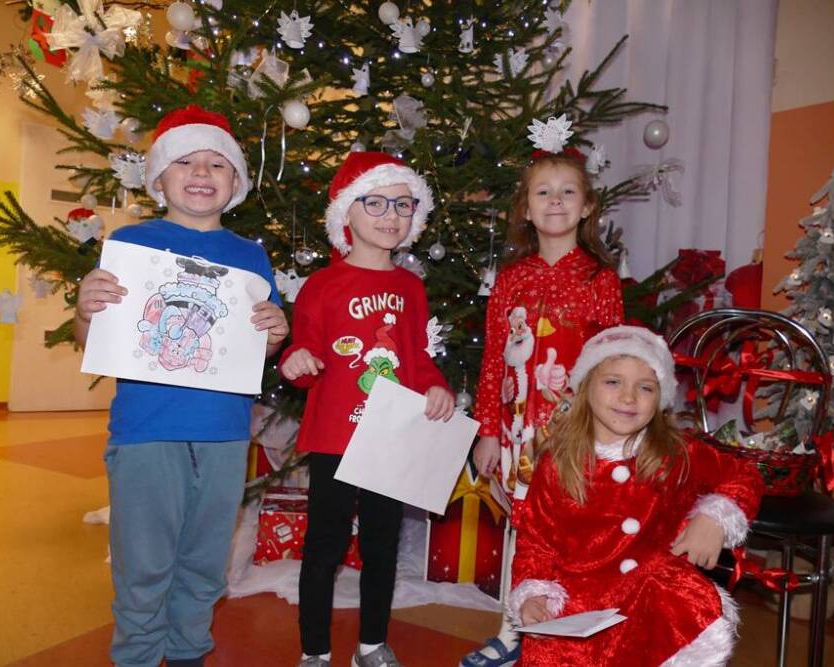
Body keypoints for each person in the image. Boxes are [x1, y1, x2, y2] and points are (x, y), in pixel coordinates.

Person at [74, 104, 289, 667]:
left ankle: (190, 650)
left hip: (224, 436)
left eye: (217, 164)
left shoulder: (250, 256)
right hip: (146, 433)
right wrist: (85, 310)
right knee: (142, 562)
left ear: (235, 183)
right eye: (185, 161)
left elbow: (258, 346)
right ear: (158, 178)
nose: (201, 172)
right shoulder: (131, 244)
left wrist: (273, 334)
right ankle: (138, 656)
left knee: (205, 559)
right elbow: (93, 339)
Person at [279, 151, 455, 667]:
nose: (390, 215)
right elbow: (303, 353)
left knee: (382, 546)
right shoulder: (321, 286)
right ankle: (314, 650)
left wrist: (436, 387)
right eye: (375, 202)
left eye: (403, 204)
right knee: (324, 548)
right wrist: (297, 361)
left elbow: (417, 357)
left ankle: (372, 643)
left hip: (391, 440)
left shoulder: (411, 288)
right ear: (346, 213)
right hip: (335, 437)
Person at [509, 325, 764, 666]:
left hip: (653, 604)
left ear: (660, 399)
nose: (629, 398)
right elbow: (536, 543)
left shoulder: (676, 454)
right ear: (585, 388)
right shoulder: (557, 463)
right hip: (579, 607)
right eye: (613, 382)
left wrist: (714, 518)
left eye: (645, 387)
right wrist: (533, 595)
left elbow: (744, 475)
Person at [463, 148, 624, 667]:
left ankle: (568, 635)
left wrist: (608, 431)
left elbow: (613, 361)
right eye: (543, 192)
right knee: (524, 529)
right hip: (517, 432)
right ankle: (512, 630)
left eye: (567, 192)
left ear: (587, 206)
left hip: (576, 432)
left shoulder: (599, 279)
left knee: (573, 530)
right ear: (527, 209)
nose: (555, 201)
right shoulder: (512, 278)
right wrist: (488, 430)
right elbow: (494, 355)